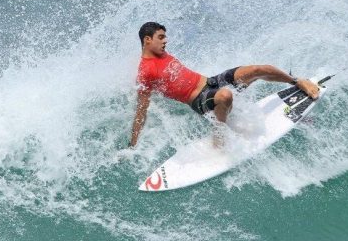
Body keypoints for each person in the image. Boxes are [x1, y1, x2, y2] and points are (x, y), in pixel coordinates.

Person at [130, 22, 320, 147]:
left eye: (165, 37)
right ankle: (219, 137)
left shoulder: (161, 53)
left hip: (211, 81)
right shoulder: (145, 71)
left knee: (259, 69)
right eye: (161, 37)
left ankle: (298, 81)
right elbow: (141, 109)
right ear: (147, 40)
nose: (166, 40)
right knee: (225, 96)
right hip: (199, 100)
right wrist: (134, 142)